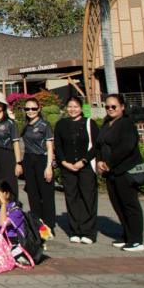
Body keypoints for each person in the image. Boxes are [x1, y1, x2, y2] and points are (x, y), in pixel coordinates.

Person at [97, 93, 144, 252]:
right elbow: (100, 145)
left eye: (114, 106)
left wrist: (109, 163)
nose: (110, 109)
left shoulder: (126, 124)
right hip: (111, 172)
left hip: (125, 171)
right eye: (107, 106)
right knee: (118, 204)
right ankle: (127, 235)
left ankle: (136, 240)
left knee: (130, 205)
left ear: (122, 107)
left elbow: (126, 147)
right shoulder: (107, 123)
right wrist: (100, 160)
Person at [54, 97, 99, 244]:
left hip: (86, 167)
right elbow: (58, 146)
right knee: (71, 198)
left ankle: (88, 232)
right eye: (70, 106)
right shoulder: (61, 124)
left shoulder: (89, 123)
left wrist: (83, 161)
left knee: (88, 198)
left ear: (81, 108)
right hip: (67, 167)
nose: (72, 109)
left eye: (75, 106)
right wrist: (64, 162)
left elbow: (96, 145)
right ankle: (74, 230)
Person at [20, 98, 57, 230]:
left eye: (33, 108)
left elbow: (50, 147)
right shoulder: (25, 125)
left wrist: (49, 166)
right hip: (29, 160)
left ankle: (49, 225)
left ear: (39, 109)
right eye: (27, 109)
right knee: (33, 194)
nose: (30, 111)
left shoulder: (44, 125)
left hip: (42, 159)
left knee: (46, 195)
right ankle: (36, 224)